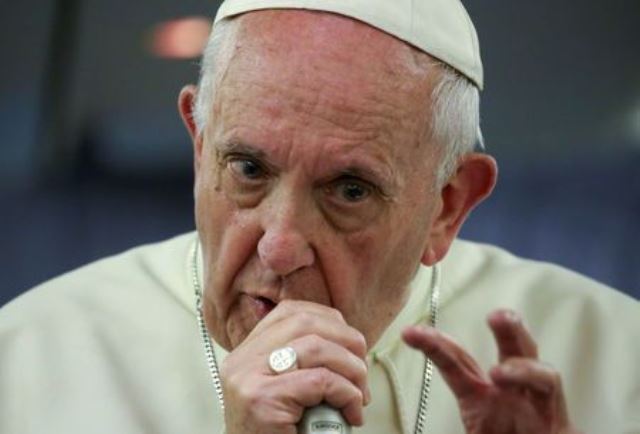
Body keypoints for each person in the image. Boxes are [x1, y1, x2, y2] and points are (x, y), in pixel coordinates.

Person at [1, 0, 638, 433]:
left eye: (350, 190)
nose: (279, 247)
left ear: (448, 206)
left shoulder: (615, 359)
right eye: (249, 170)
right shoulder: (28, 363)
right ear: (200, 147)